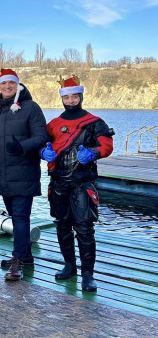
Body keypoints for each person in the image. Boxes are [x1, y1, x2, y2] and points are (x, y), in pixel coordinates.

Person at [40, 75, 113, 292]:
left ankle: (88, 274)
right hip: (59, 182)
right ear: (62, 98)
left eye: (75, 97)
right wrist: (43, 153)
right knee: (62, 225)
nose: (71, 100)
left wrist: (93, 153)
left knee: (84, 228)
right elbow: (41, 144)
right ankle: (69, 265)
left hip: (83, 182)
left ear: (81, 96)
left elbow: (107, 146)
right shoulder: (53, 124)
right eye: (67, 97)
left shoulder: (95, 122)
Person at [0, 69, 49, 281]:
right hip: (2, 174)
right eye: (3, 84)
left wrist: (21, 147)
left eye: (11, 84)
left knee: (21, 217)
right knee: (15, 217)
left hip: (24, 172)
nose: (7, 87)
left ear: (18, 86)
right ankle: (27, 256)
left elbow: (42, 136)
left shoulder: (30, 108)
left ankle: (17, 261)